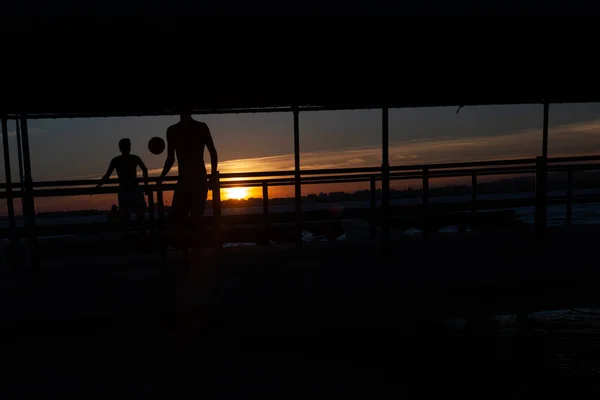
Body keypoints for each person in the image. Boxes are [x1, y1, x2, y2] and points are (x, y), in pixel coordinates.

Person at [159, 108, 218, 257]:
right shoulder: (201, 127)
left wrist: (161, 177)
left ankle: (186, 249)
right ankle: (195, 250)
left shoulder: (172, 130)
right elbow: (213, 152)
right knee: (196, 217)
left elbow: (170, 159)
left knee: (179, 217)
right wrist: (211, 176)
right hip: (199, 178)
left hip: (185, 179)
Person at [94, 138, 149, 238]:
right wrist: (146, 185)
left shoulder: (116, 160)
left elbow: (107, 176)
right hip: (134, 189)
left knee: (127, 215)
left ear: (120, 148)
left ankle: (128, 235)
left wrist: (97, 187)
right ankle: (142, 235)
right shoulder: (135, 158)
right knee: (139, 215)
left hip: (124, 189)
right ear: (130, 147)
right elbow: (144, 169)